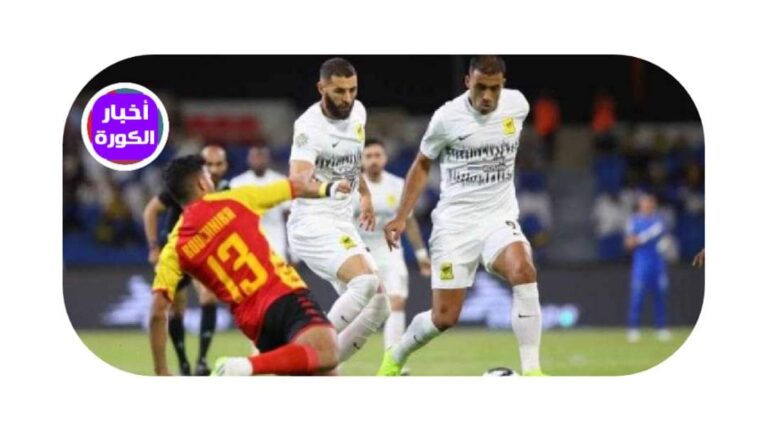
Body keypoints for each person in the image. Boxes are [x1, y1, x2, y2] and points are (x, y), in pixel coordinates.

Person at [377, 56, 545, 376]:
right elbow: (422, 164)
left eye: (494, 88)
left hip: (498, 217)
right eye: (480, 87)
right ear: (468, 81)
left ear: (503, 85)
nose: (487, 95)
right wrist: (401, 215)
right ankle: (395, 356)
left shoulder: (517, 105)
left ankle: (533, 372)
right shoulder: (446, 118)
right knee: (444, 317)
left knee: (523, 270)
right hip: (455, 225)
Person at [149, 155, 351, 376]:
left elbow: (158, 312)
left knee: (324, 375)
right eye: (207, 175)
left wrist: (161, 370)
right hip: (283, 295)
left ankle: (248, 366)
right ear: (202, 183)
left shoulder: (174, 247)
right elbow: (294, 187)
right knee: (327, 352)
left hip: (254, 324)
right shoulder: (237, 199)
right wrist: (328, 187)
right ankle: (244, 367)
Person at [287, 57, 390, 364]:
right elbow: (296, 182)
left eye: (352, 90)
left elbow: (351, 161)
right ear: (321, 88)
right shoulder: (309, 127)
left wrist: (365, 193)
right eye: (339, 91)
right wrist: (329, 188)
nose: (347, 98)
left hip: (341, 222)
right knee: (365, 282)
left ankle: (319, 368)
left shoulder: (358, 112)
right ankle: (305, 351)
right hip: (312, 222)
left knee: (380, 304)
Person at [143, 145, 229, 375]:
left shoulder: (226, 189)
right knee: (176, 308)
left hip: (202, 253)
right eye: (209, 164)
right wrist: (153, 247)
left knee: (208, 297)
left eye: (218, 164)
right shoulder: (182, 186)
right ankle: (183, 362)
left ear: (226, 165)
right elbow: (150, 211)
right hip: (177, 252)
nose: (214, 169)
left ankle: (201, 361)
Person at [354, 138, 431, 358]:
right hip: (359, 251)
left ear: (385, 158)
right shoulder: (352, 186)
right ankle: (334, 355)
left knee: (396, 300)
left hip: (389, 250)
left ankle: (393, 359)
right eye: (368, 156)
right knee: (357, 308)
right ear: (361, 160)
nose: (373, 160)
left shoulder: (397, 185)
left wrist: (421, 254)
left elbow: (410, 221)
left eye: (377, 155)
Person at [230, 145, 291, 260]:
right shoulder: (237, 183)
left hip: (276, 239)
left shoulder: (280, 181)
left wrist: (291, 248)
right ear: (248, 159)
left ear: (268, 158)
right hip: (248, 240)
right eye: (255, 157)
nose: (258, 160)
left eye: (262, 156)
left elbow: (288, 215)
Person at [624, 193, 671, 342]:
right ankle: (633, 328)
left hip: (657, 264)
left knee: (660, 296)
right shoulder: (634, 221)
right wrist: (642, 239)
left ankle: (661, 328)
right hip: (641, 264)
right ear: (640, 205)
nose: (648, 206)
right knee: (637, 296)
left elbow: (666, 239)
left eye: (650, 203)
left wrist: (664, 245)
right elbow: (629, 244)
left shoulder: (659, 221)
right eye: (645, 203)